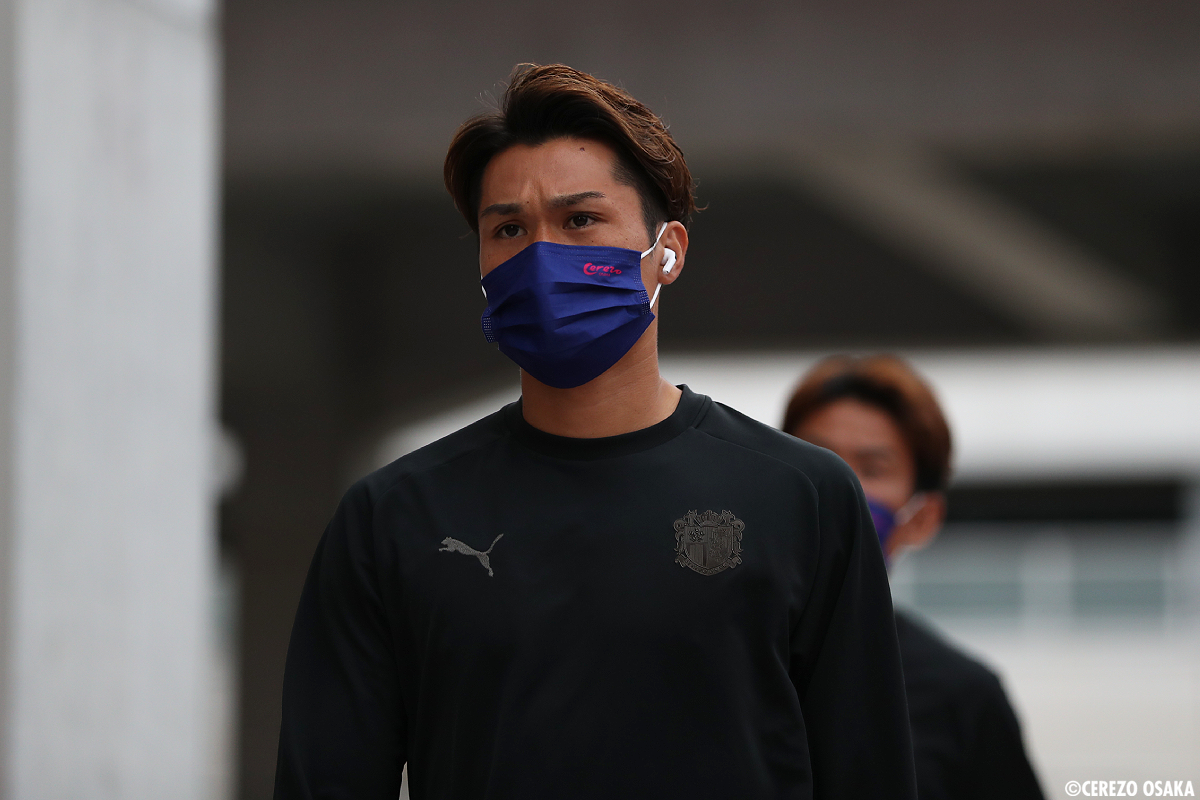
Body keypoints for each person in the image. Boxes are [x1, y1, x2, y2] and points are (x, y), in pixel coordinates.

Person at [273, 63, 916, 800]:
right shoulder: (394, 518)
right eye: (508, 229)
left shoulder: (802, 497)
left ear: (668, 250)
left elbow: (868, 775)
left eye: (580, 220)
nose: (541, 256)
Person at [783, 354, 1046, 800]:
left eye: (873, 469)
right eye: (816, 457)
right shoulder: (710, 650)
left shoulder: (961, 697)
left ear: (922, 519)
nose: (836, 486)